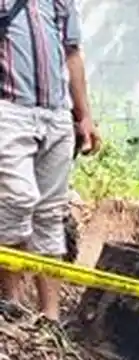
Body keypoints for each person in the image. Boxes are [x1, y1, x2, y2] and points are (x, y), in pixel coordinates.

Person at [0, 0, 99, 321]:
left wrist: (84, 116)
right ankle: (12, 303)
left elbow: (72, 53)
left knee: (51, 214)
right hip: (9, 110)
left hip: (56, 114)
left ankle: (50, 315)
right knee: (16, 201)